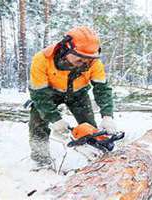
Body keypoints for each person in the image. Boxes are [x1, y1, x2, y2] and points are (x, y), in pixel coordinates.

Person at [28, 26, 116, 169]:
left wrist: (107, 115)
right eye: (80, 58)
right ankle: (41, 160)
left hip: (78, 95)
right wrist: (54, 118)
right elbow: (39, 95)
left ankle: (99, 158)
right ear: (66, 48)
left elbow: (102, 89)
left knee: (89, 127)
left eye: (89, 59)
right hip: (49, 94)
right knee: (37, 122)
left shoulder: (93, 63)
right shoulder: (42, 59)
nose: (85, 62)